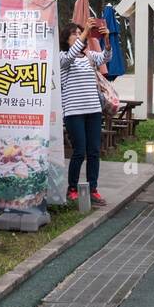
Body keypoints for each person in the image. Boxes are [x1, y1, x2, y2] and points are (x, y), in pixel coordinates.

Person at [60, 20, 108, 207]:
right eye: (75, 33)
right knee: (79, 151)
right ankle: (72, 188)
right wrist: (86, 31)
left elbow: (106, 57)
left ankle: (93, 189)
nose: (79, 35)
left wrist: (107, 39)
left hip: (93, 110)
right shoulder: (63, 57)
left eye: (81, 32)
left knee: (94, 151)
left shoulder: (89, 56)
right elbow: (70, 56)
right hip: (73, 111)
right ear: (66, 38)